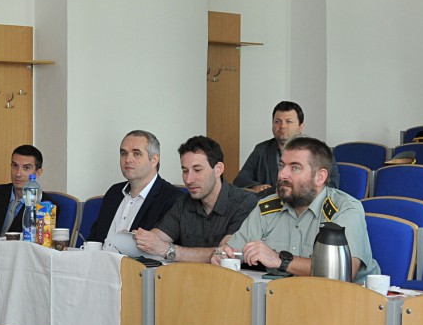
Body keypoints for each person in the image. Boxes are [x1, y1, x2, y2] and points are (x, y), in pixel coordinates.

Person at [218, 137, 377, 283]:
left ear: (320, 177)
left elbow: (345, 271)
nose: (282, 175)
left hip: (343, 299)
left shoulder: (344, 209)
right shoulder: (267, 207)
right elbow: (232, 251)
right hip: (283, 297)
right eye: (281, 166)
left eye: (295, 168)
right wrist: (223, 255)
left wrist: (280, 260)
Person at [134, 136, 256, 263]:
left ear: (218, 169)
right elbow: (155, 239)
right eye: (185, 171)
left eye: (197, 170)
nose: (188, 180)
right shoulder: (183, 202)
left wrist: (168, 250)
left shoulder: (245, 202)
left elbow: (226, 254)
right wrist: (140, 239)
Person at [88, 130, 182, 246]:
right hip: (101, 257)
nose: (128, 159)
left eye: (136, 154)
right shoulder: (114, 192)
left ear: (154, 160)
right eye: (124, 153)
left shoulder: (173, 199)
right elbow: (94, 240)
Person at [231, 100, 339, 197]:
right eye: (277, 121)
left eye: (289, 121)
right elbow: (240, 179)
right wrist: (256, 186)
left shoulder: (320, 151)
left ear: (301, 126)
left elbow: (331, 187)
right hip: (269, 208)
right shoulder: (261, 149)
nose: (282, 126)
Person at [0, 144, 44, 236]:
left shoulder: (44, 206)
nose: (18, 174)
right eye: (15, 166)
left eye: (26, 168)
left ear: (38, 173)